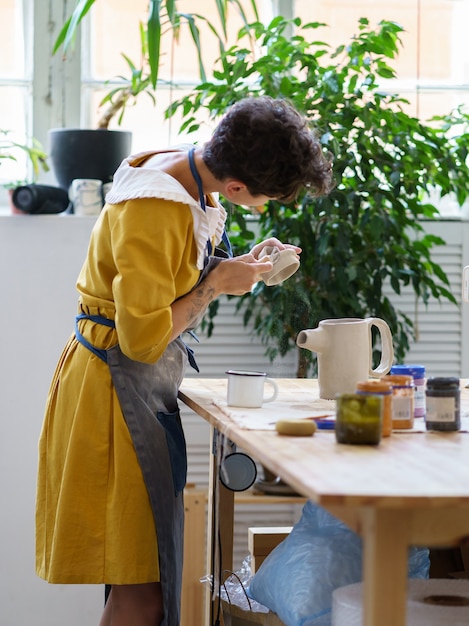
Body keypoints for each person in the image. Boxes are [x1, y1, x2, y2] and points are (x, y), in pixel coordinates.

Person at [35, 96, 334, 626]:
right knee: (142, 593)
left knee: (135, 581)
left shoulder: (183, 168)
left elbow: (162, 275)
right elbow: (143, 338)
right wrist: (217, 284)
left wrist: (233, 265)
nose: (263, 207)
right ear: (237, 186)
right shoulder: (159, 207)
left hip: (122, 386)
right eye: (263, 198)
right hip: (115, 396)